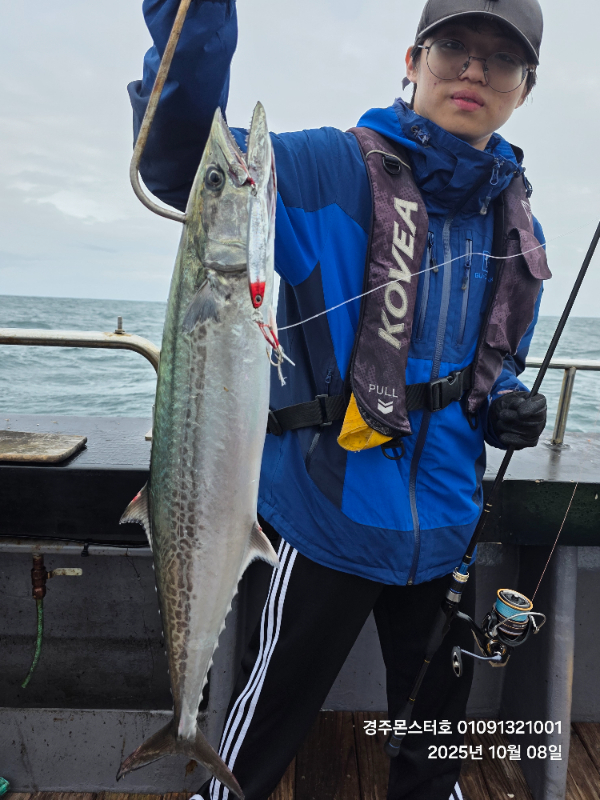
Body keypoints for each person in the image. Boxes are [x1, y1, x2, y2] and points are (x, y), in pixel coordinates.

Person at [129, 0, 549, 798]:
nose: (473, 69)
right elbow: (181, 160)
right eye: (453, 47)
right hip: (327, 517)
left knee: (431, 745)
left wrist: (507, 403)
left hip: (448, 526)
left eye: (501, 59)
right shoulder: (323, 167)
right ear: (412, 61)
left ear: (524, 88)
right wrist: (198, 16)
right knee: (261, 737)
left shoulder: (513, 217)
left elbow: (494, 359)